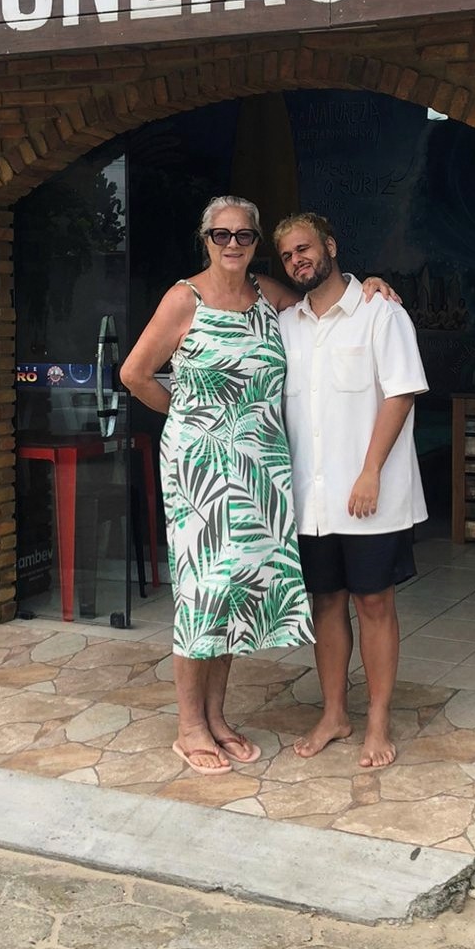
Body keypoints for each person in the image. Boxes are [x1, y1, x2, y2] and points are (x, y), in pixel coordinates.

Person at [121, 196, 394, 775]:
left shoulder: (271, 297)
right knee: (201, 592)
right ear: (206, 239)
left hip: (261, 470)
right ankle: (189, 726)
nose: (233, 245)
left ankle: (217, 718)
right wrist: (191, 417)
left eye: (244, 235)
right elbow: (135, 374)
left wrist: (373, 284)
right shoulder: (183, 298)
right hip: (201, 469)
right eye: (222, 235)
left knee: (233, 591)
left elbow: (327, 305)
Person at [275, 212, 428, 769]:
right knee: (327, 603)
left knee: (374, 603)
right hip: (310, 500)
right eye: (289, 254)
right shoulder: (286, 326)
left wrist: (370, 470)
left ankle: (379, 721)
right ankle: (335, 714)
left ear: (330, 246)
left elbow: (401, 393)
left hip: (370, 493)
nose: (299, 259)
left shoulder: (379, 312)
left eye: (306, 248)